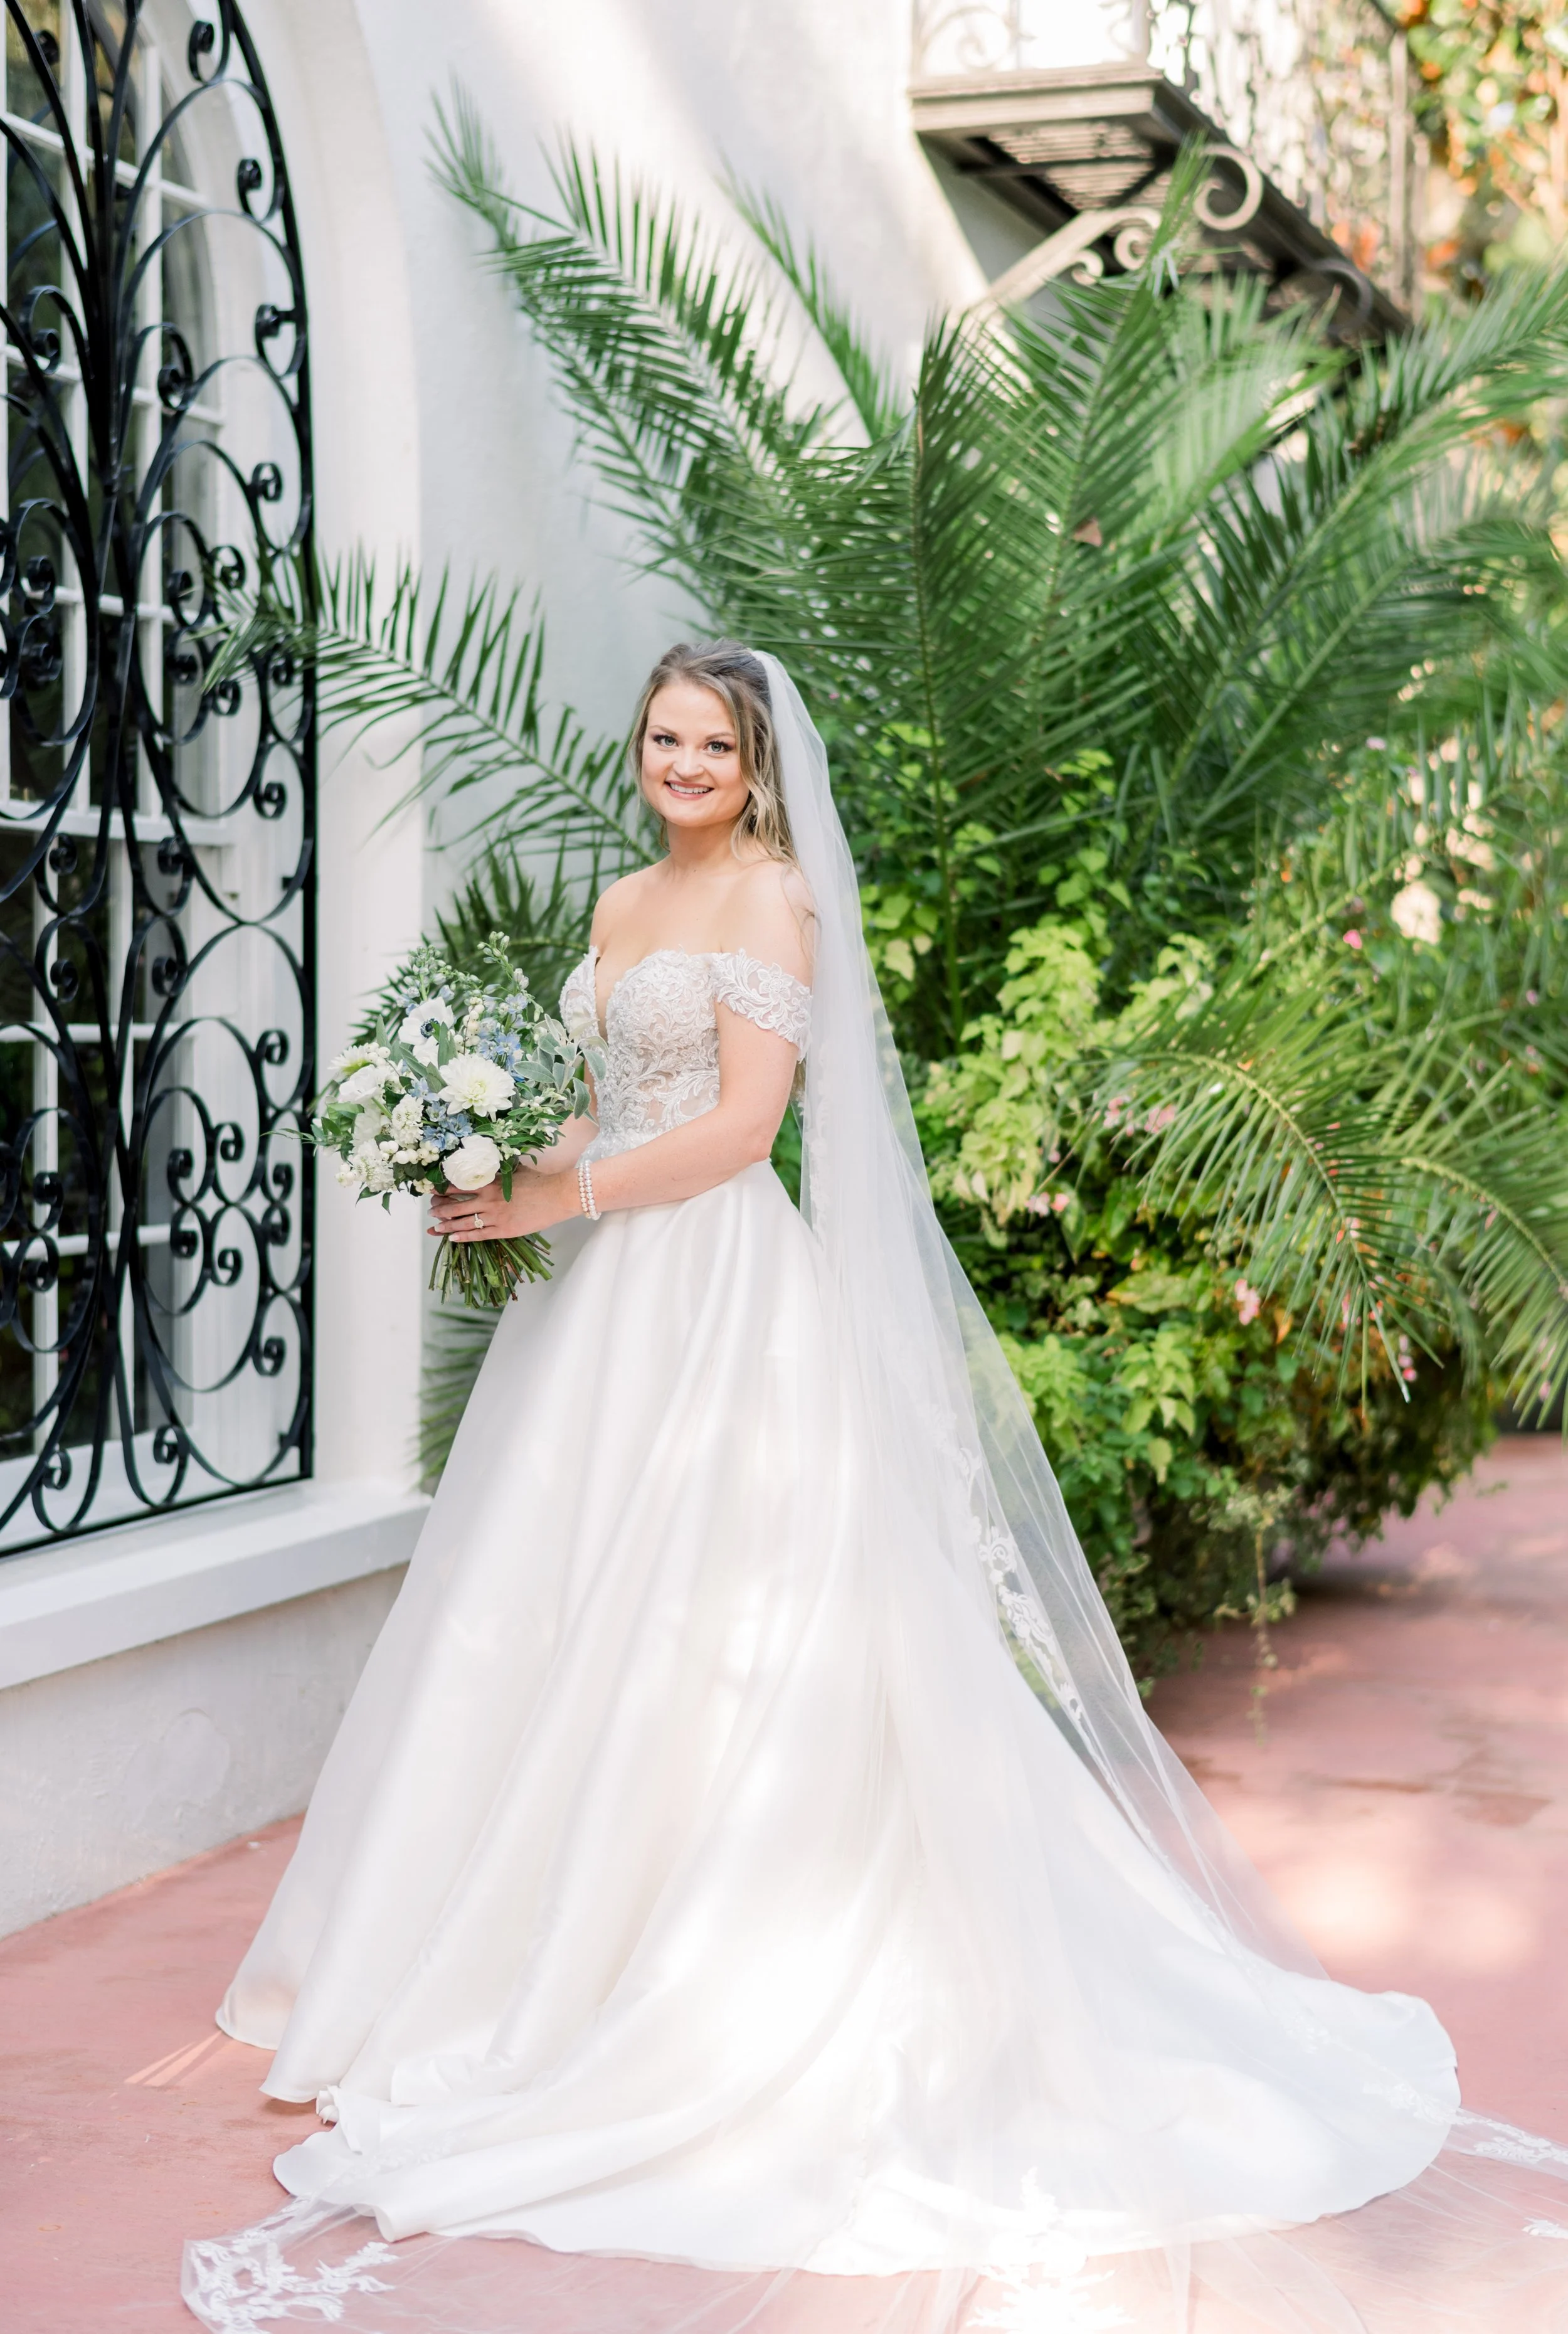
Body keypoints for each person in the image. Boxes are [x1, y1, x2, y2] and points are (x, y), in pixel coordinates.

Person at [185, 645, 1568, 2334]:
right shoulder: (621, 901)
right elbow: (597, 1095)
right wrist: (477, 1164)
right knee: (546, 1615)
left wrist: (558, 1192)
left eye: (712, 742)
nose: (682, 761)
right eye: (662, 737)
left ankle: (691, 1981)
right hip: (596, 1313)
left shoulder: (774, 904)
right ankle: (506, 1969)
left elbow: (740, 1129)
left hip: (707, 1292)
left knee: (723, 1618)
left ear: (758, 766)